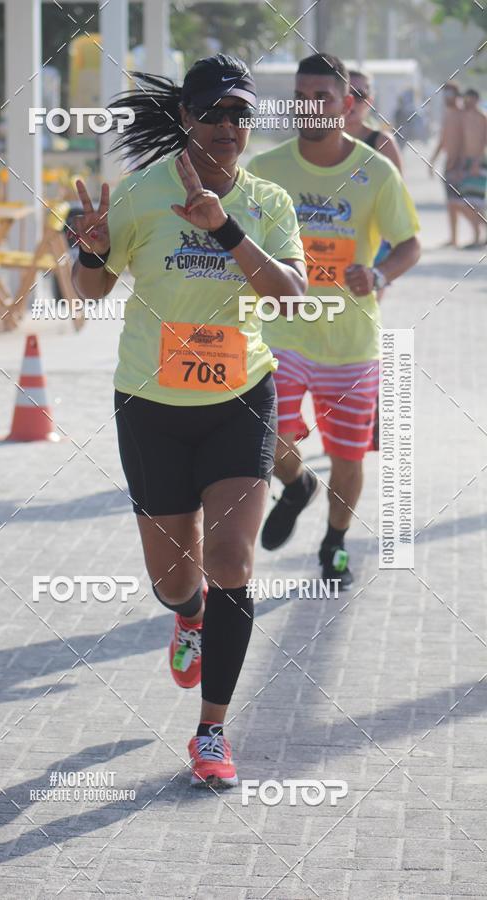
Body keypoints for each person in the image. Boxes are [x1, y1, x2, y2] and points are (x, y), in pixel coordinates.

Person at [72, 54, 307, 788]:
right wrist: (92, 252)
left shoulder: (267, 201)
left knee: (233, 560)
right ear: (185, 117)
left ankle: (211, 731)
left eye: (241, 114)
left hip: (240, 401)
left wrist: (226, 228)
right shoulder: (140, 194)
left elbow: (291, 295)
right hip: (151, 407)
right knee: (175, 579)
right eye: (213, 112)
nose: (228, 126)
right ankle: (189, 614)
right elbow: (87, 292)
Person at [249, 53, 421, 590]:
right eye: (300, 96)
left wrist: (379, 274)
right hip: (281, 330)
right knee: (265, 434)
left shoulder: (376, 170)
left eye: (320, 97)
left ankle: (335, 542)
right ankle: (298, 484)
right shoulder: (265, 169)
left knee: (347, 457)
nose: (308, 106)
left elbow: (411, 243)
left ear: (346, 104)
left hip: (350, 341)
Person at [346, 69, 404, 450]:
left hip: (372, 253)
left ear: (370, 100)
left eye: (362, 93)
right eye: (348, 91)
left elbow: (399, 205)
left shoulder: (380, 142)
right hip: (325, 252)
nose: (354, 100)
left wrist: (384, 265)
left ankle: (377, 417)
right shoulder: (316, 140)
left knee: (365, 327)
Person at [430, 81, 464, 247]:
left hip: (461, 165)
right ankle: (453, 238)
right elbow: (443, 140)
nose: (446, 98)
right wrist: (432, 160)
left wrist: (459, 163)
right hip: (449, 163)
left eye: (449, 94)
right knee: (451, 203)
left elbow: (465, 141)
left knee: (466, 202)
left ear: (457, 95)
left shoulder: (462, 115)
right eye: (444, 94)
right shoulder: (447, 114)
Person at [455, 89, 487, 247]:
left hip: (480, 162)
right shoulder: (464, 118)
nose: (468, 101)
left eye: (470, 99)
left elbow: (484, 141)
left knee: (475, 201)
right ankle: (478, 234)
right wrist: (461, 165)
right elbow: (462, 142)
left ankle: (477, 237)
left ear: (476, 99)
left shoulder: (483, 117)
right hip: (467, 162)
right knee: (465, 202)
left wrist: (477, 162)